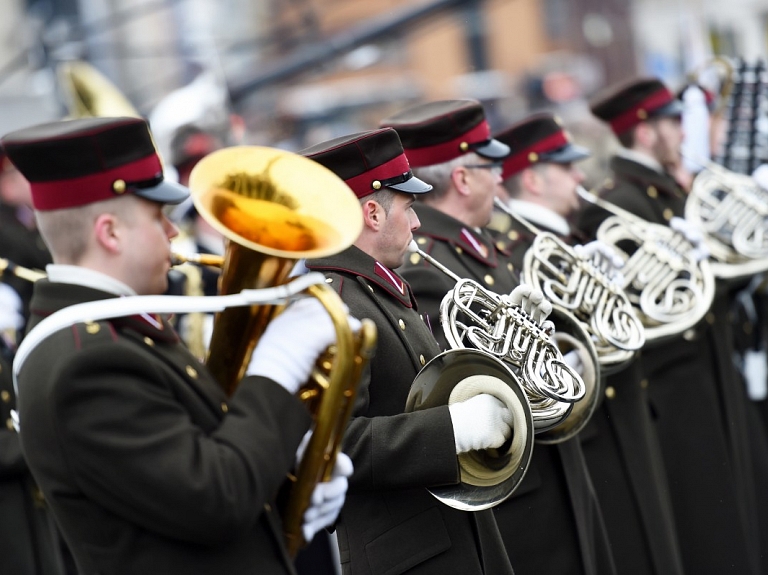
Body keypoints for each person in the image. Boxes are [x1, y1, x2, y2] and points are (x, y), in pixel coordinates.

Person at [3, 116, 352, 575]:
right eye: (157, 216)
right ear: (110, 233)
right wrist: (277, 369)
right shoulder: (86, 362)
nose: (173, 232)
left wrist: (288, 481)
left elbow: (192, 470)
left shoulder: (116, 332)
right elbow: (214, 500)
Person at [383, 100, 616, 575]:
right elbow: (454, 386)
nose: (502, 179)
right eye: (492, 167)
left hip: (559, 474)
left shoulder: (483, 246)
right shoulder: (430, 264)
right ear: (465, 179)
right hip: (523, 501)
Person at [301, 127, 519, 575]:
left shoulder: (374, 288)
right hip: (407, 558)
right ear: (373, 213)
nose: (418, 223)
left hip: (448, 543)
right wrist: (451, 431)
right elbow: (329, 445)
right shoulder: (334, 302)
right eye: (409, 206)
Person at [576, 76, 765, 575]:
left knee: (746, 517)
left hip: (711, 371)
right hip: (676, 390)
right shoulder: (614, 202)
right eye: (673, 122)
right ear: (645, 132)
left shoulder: (660, 188)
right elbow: (656, 305)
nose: (684, 132)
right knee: (713, 530)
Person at [494, 112, 684, 575]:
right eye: (566, 167)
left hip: (622, 421)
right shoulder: (522, 252)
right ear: (534, 180)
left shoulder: (569, 236)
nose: (581, 176)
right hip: (591, 436)